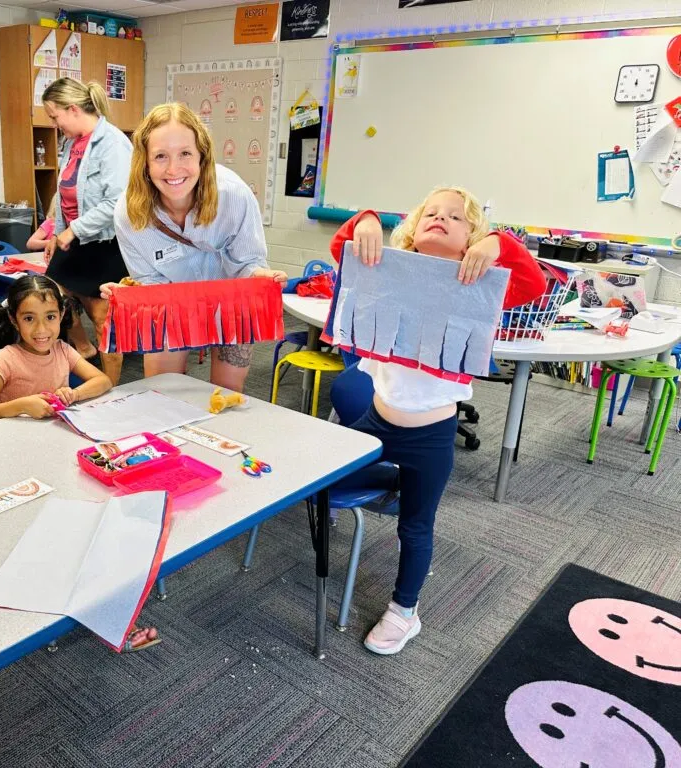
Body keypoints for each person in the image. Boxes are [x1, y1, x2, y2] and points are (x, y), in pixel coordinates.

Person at [328, 186, 546, 655]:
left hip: (431, 436)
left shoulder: (477, 287)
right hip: (376, 422)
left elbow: (533, 285)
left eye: (455, 217)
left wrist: (499, 245)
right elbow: (340, 250)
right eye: (431, 212)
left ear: (471, 237)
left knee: (416, 526)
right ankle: (389, 484)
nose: (440, 218)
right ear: (413, 226)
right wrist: (364, 218)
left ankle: (404, 612)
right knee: (321, 478)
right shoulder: (385, 269)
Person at [103, 102, 287, 393]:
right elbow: (152, 283)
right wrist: (131, 294)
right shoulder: (129, 213)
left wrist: (257, 276)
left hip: (230, 302)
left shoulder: (234, 196)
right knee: (162, 392)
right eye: (161, 156)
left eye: (185, 154)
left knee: (226, 394)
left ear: (202, 155)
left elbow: (247, 263)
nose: (174, 169)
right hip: (171, 304)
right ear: (145, 162)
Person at [41, 77, 132, 385]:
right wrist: (58, 232)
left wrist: (73, 231)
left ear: (73, 109)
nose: (54, 124)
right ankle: (82, 346)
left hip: (104, 244)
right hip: (76, 240)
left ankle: (111, 387)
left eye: (55, 117)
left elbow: (117, 202)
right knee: (48, 293)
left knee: (103, 318)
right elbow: (66, 194)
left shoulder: (113, 143)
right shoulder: (72, 143)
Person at [0, 274, 111, 425]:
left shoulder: (62, 350)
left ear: (61, 315)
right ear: (14, 320)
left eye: (50, 317)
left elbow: (103, 381)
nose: (41, 329)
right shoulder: (5, 359)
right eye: (29, 318)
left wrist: (74, 394)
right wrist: (20, 406)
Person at [26, 197, 97, 359]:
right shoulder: (53, 224)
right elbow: (31, 242)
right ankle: (83, 346)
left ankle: (92, 346)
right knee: (57, 300)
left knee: (96, 315)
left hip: (87, 263)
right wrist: (55, 239)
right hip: (67, 265)